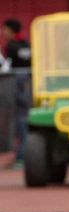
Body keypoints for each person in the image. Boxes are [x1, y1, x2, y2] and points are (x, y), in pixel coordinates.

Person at [1, 19, 31, 165]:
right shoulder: (27, 44)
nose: (2, 32)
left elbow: (7, 68)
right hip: (28, 88)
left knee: (19, 121)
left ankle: (22, 154)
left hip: (16, 88)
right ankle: (22, 153)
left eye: (4, 29)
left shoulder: (11, 46)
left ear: (10, 30)